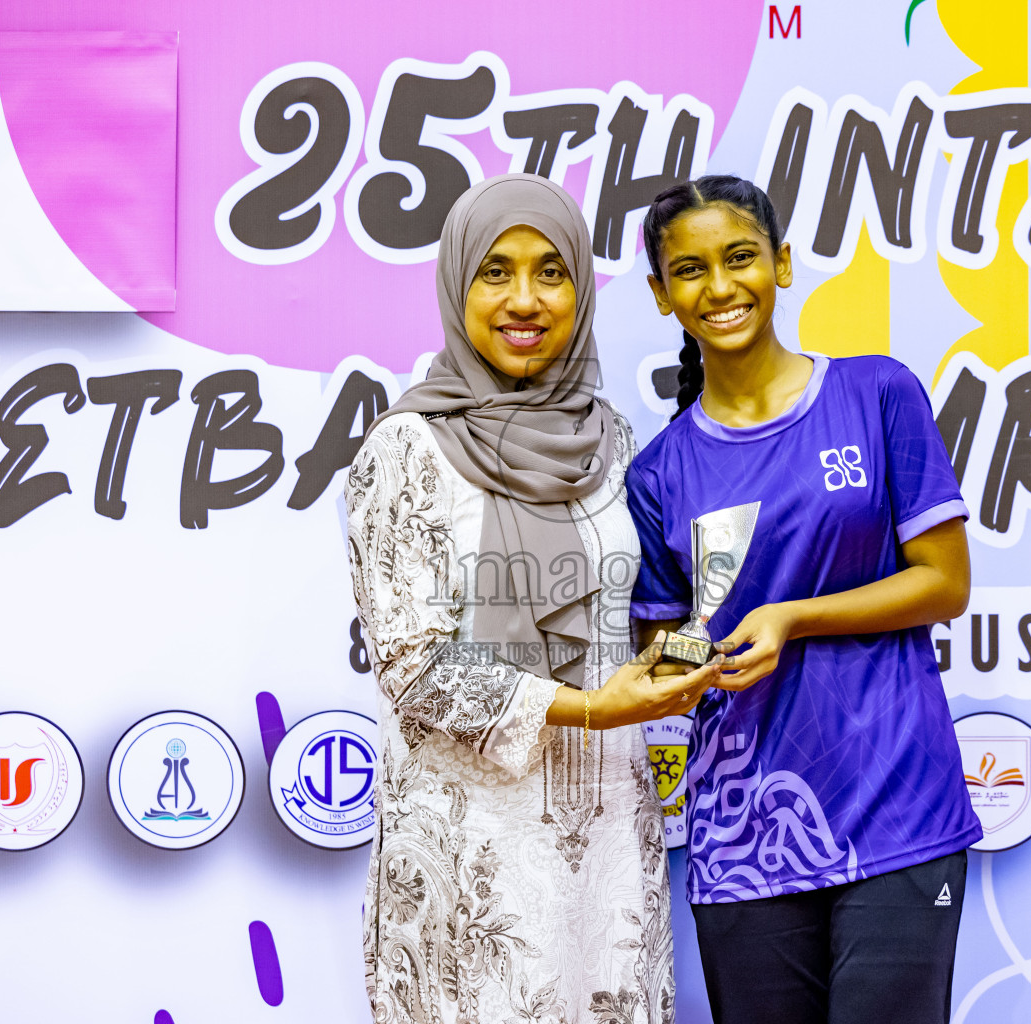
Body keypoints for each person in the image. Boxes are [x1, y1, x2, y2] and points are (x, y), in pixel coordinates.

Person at [346, 173, 722, 1024]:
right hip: (468, 851)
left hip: (608, 848)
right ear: (457, 284)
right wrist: (587, 708)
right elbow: (416, 667)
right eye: (496, 272)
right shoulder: (407, 447)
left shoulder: (614, 441)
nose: (526, 299)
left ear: (583, 287)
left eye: (552, 272)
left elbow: (630, 616)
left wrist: (674, 657)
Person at [626, 174, 980, 1024]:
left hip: (898, 802)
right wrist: (681, 664)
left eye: (741, 257)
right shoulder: (659, 472)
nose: (719, 287)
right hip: (741, 832)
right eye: (690, 270)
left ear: (782, 265)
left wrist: (793, 617)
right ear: (661, 294)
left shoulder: (876, 394)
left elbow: (946, 582)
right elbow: (668, 644)